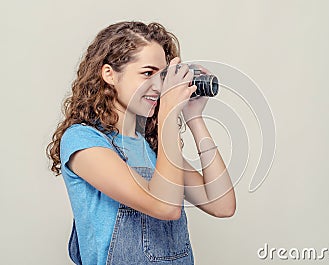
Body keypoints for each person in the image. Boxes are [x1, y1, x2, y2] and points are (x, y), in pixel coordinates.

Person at [46, 21, 236, 265]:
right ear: (109, 74)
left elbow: (222, 204)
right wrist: (168, 113)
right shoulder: (83, 140)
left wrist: (194, 117)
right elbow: (164, 207)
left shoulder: (149, 145)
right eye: (148, 73)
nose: (158, 87)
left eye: (163, 76)